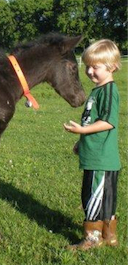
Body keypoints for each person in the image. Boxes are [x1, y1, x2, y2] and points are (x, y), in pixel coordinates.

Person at [63, 39, 121, 250]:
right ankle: (109, 236)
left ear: (112, 67)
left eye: (95, 67)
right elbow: (91, 118)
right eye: (87, 66)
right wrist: (81, 141)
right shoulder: (97, 91)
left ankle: (92, 238)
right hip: (94, 155)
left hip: (101, 158)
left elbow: (108, 122)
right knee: (105, 198)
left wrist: (82, 131)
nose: (89, 71)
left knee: (92, 197)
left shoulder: (108, 91)